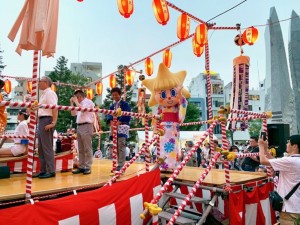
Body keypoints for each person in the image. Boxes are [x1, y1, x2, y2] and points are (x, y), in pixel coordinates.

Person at [259, 135, 300, 224]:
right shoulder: (294, 160)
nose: (286, 144)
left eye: (288, 142)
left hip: (289, 208)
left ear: (295, 146)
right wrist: (266, 150)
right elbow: (275, 161)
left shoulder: (290, 161)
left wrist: (261, 146)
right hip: (296, 205)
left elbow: (262, 161)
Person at [34, 76, 58, 179]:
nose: (39, 83)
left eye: (40, 81)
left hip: (47, 119)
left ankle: (51, 170)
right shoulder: (44, 94)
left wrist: (53, 122)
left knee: (47, 146)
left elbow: (55, 108)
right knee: (41, 148)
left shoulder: (50, 93)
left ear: (46, 83)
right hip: (42, 120)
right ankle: (43, 170)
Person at [70, 90, 95, 175]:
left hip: (87, 125)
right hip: (79, 126)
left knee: (87, 147)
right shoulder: (78, 104)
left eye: (76, 97)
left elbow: (83, 110)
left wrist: (76, 102)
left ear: (79, 96)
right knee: (80, 148)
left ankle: (88, 167)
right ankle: (81, 166)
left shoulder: (88, 102)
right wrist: (72, 104)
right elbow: (73, 114)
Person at [106, 87, 131, 171]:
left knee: (121, 145)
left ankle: (121, 164)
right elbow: (109, 115)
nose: (115, 96)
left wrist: (118, 122)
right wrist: (112, 123)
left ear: (120, 95)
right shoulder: (112, 106)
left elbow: (127, 115)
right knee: (115, 146)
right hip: (114, 126)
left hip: (122, 126)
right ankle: (117, 164)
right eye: (113, 95)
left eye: (116, 94)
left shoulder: (125, 104)